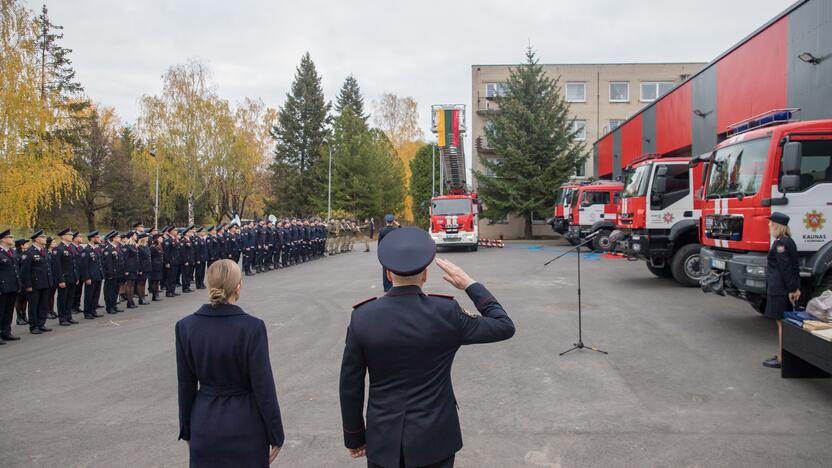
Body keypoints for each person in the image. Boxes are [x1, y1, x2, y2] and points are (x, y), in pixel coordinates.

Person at [339, 228, 515, 468]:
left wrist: (354, 437)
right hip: (435, 439)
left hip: (383, 440)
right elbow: (504, 326)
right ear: (425, 275)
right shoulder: (446, 313)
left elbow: (351, 385)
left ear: (389, 274)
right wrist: (470, 285)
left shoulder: (362, 317)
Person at [175, 259, 284, 467]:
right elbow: (263, 386)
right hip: (245, 423)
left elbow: (185, 385)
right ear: (238, 286)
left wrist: (187, 428)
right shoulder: (252, 327)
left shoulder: (186, 327)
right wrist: (276, 433)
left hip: (204, 421)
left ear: (208, 284)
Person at [762, 212, 801, 369]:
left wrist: (793, 289)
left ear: (777, 226)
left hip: (780, 289)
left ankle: (783, 359)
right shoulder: (787, 241)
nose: (768, 226)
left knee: (781, 324)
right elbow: (795, 266)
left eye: (770, 223)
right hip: (782, 288)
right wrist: (796, 286)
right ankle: (782, 355)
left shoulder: (780, 244)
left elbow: (786, 269)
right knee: (782, 323)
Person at [20, 230, 54, 334]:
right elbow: (25, 271)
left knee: (43, 305)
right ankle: (34, 326)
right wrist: (28, 285)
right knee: (34, 306)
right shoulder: (29, 252)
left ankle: (41, 323)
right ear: (37, 239)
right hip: (34, 284)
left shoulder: (44, 251)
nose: (45, 239)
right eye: (43, 237)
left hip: (45, 282)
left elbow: (48, 268)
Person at [0, 229, 21, 343]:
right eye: (10, 237)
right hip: (2, 287)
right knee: (1, 311)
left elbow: (15, 270)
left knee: (9, 311)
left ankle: (6, 332)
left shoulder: (12, 252)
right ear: (3, 239)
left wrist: (18, 285)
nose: (13, 239)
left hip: (12, 286)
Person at [80, 231, 104, 319]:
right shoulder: (86, 250)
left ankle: (93, 310)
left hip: (98, 275)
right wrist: (86, 278)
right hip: (90, 277)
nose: (99, 239)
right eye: (97, 238)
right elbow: (84, 266)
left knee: (96, 295)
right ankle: (87, 312)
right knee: (89, 295)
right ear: (92, 238)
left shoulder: (96, 249)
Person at [377, 214, 398, 292]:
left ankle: (386, 287)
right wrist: (398, 225)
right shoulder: (396, 230)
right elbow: (402, 231)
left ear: (386, 221)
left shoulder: (382, 231)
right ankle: (394, 285)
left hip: (385, 252)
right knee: (394, 269)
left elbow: (379, 244)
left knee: (385, 270)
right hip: (394, 252)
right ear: (393, 221)